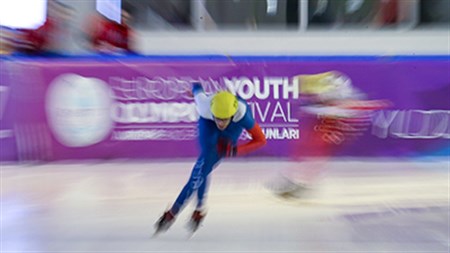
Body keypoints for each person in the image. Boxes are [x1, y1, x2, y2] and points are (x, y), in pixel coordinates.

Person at [155, 82, 267, 233]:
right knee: (202, 168)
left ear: (232, 115)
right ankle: (193, 210)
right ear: (213, 113)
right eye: (218, 118)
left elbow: (261, 140)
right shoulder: (204, 106)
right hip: (208, 124)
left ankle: (177, 213)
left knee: (203, 168)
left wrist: (235, 150)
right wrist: (193, 91)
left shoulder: (242, 114)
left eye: (224, 119)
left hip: (233, 127)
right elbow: (197, 86)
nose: (221, 123)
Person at [268, 71, 390, 198]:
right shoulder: (326, 88)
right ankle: (296, 179)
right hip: (331, 117)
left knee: (318, 148)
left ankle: (306, 183)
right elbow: (317, 104)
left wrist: (312, 108)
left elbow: (340, 111)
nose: (315, 96)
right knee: (305, 144)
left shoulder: (345, 103)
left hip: (341, 123)